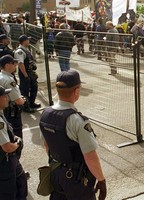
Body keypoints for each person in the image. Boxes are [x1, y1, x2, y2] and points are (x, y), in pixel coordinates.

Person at [39, 70, 107, 200]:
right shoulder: (77, 121)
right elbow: (90, 157)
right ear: (76, 91)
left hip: (55, 173)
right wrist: (101, 180)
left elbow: (47, 145)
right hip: (75, 179)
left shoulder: (45, 113)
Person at [0, 86, 28, 200]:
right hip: (5, 164)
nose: (7, 98)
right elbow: (6, 147)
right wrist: (17, 144)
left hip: (10, 162)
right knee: (10, 193)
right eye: (4, 96)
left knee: (21, 181)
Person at [0, 55, 26, 151]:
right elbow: (18, 101)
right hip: (12, 112)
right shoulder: (9, 80)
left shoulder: (1, 76)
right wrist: (24, 100)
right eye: (13, 63)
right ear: (7, 65)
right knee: (15, 136)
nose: (15, 65)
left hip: (4, 110)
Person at [14, 35, 41, 111]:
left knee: (34, 88)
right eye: (27, 40)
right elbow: (20, 64)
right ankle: (26, 107)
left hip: (30, 72)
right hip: (25, 73)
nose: (29, 41)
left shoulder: (26, 49)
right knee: (25, 90)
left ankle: (31, 103)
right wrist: (25, 75)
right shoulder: (19, 51)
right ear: (24, 41)